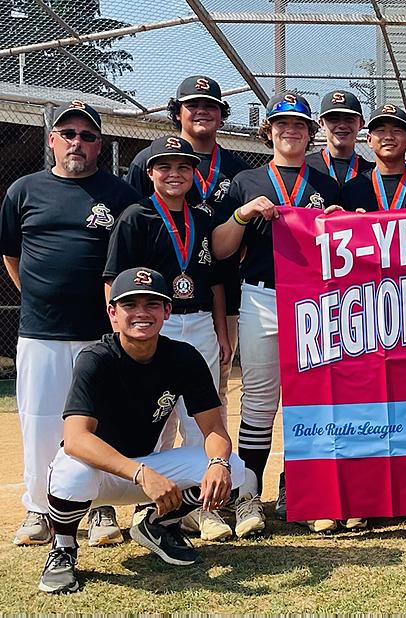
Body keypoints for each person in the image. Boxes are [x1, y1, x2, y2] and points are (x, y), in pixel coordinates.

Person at [37, 268, 255, 594]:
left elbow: (214, 429)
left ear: (167, 311)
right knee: (71, 472)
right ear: (113, 313)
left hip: (147, 468)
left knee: (235, 469)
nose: (141, 313)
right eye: (130, 305)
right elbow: (77, 438)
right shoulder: (96, 358)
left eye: (153, 304)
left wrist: (218, 464)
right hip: (102, 472)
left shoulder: (183, 357)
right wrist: (141, 474)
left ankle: (156, 525)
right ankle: (63, 548)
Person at [104, 136, 263, 541]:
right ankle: (152, 501)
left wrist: (221, 329)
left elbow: (217, 277)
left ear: (194, 174)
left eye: (183, 168)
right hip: (154, 324)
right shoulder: (136, 217)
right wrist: (120, 332)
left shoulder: (203, 217)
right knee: (155, 418)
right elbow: (113, 280)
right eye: (165, 167)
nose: (174, 175)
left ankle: (199, 508)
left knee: (201, 417)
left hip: (199, 323)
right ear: (150, 172)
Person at [0, 101, 140, 548]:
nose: (78, 142)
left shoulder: (119, 195)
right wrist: (40, 297)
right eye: (69, 133)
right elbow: (11, 256)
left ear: (100, 144)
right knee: (40, 421)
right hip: (40, 331)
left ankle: (98, 507)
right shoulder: (23, 190)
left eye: (88, 135)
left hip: (101, 334)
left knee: (102, 422)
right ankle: (40, 508)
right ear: (52, 139)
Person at [211, 93, 342, 534]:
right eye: (282, 123)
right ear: (269, 129)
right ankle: (249, 495)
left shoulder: (326, 180)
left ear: (311, 131)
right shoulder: (247, 181)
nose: (291, 130)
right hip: (262, 297)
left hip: (316, 301)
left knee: (314, 400)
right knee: (261, 400)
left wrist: (343, 219)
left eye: (300, 124)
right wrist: (243, 214)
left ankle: (302, 489)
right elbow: (220, 248)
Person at [123, 75, 251, 447]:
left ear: (222, 115)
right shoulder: (147, 160)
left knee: (214, 391)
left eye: (210, 105)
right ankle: (157, 492)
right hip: (157, 302)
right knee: (154, 398)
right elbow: (139, 218)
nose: (201, 111)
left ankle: (209, 483)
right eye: (192, 104)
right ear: (176, 112)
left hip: (218, 293)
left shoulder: (237, 166)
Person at [341, 105, 406, 211]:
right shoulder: (352, 189)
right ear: (369, 140)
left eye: (397, 131)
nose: (389, 137)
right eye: (381, 130)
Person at [306, 89, 375, 185]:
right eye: (333, 119)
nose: (342, 125)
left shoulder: (372, 172)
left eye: (349, 119)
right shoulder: (306, 167)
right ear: (321, 123)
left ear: (361, 124)